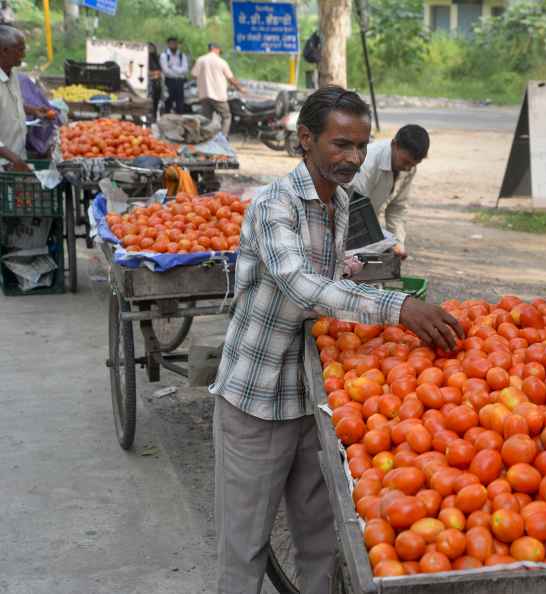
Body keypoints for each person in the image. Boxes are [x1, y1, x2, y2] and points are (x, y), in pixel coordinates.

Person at [209, 86, 462, 594]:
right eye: (340, 145)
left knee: (322, 537)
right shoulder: (274, 205)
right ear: (306, 139)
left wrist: (363, 267)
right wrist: (397, 307)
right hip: (258, 397)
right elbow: (301, 286)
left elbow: (326, 275)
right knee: (246, 546)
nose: (352, 158)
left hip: (314, 396)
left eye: (361, 146)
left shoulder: (341, 200)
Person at [346, 124, 430, 258]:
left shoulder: (408, 168)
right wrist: (387, 243)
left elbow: (397, 208)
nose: (408, 169)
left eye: (413, 165)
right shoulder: (367, 161)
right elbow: (356, 211)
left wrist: (398, 244)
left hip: (366, 225)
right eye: (405, 161)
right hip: (345, 222)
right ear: (394, 144)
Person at [0, 25, 54, 171]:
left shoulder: (12, 74)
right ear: (4, 51)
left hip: (15, 158)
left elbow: (10, 104)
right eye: (20, 49)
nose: (23, 55)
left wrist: (33, 110)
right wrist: (15, 159)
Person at [191, 42, 244, 137]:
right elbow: (231, 79)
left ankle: (206, 139)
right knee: (226, 116)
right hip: (218, 96)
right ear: (216, 49)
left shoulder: (200, 60)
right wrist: (240, 89)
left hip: (205, 95)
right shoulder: (222, 62)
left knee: (206, 119)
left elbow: (194, 75)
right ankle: (223, 138)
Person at [160, 36, 189, 115]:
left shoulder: (182, 56)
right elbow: (166, 71)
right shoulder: (164, 55)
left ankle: (179, 120)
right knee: (168, 102)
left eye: (175, 43)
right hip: (169, 82)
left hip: (180, 82)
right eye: (171, 43)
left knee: (180, 103)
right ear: (168, 44)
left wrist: (172, 67)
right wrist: (178, 71)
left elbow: (185, 70)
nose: (173, 45)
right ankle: (167, 120)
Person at [147, 42, 163, 123]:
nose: (151, 50)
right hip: (148, 83)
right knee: (149, 101)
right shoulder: (144, 58)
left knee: (156, 101)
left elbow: (161, 69)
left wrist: (157, 74)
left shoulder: (157, 58)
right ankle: (149, 117)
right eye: (149, 48)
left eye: (152, 48)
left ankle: (154, 116)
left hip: (157, 83)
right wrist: (153, 73)